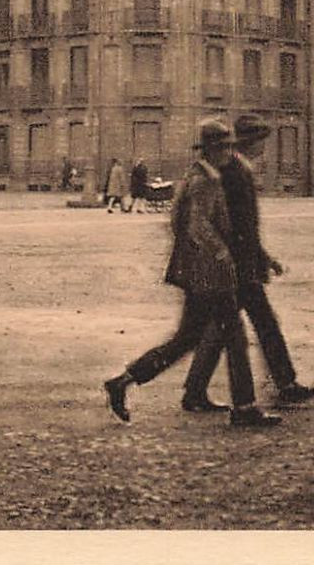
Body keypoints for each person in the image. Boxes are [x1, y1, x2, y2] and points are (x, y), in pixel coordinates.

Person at [103, 119, 280, 428]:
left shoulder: (200, 175)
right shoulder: (205, 181)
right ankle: (244, 407)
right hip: (211, 274)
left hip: (199, 273)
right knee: (234, 336)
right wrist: (221, 253)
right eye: (222, 147)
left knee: (187, 339)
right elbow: (197, 224)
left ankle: (125, 380)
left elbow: (179, 223)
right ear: (211, 150)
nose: (228, 152)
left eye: (229, 146)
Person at [182, 114, 314, 411]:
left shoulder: (235, 168)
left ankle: (195, 390)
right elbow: (234, 223)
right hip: (238, 263)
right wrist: (250, 258)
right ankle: (283, 384)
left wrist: (263, 256)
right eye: (261, 142)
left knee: (222, 329)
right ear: (249, 142)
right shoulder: (232, 171)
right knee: (259, 323)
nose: (264, 149)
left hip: (242, 259)